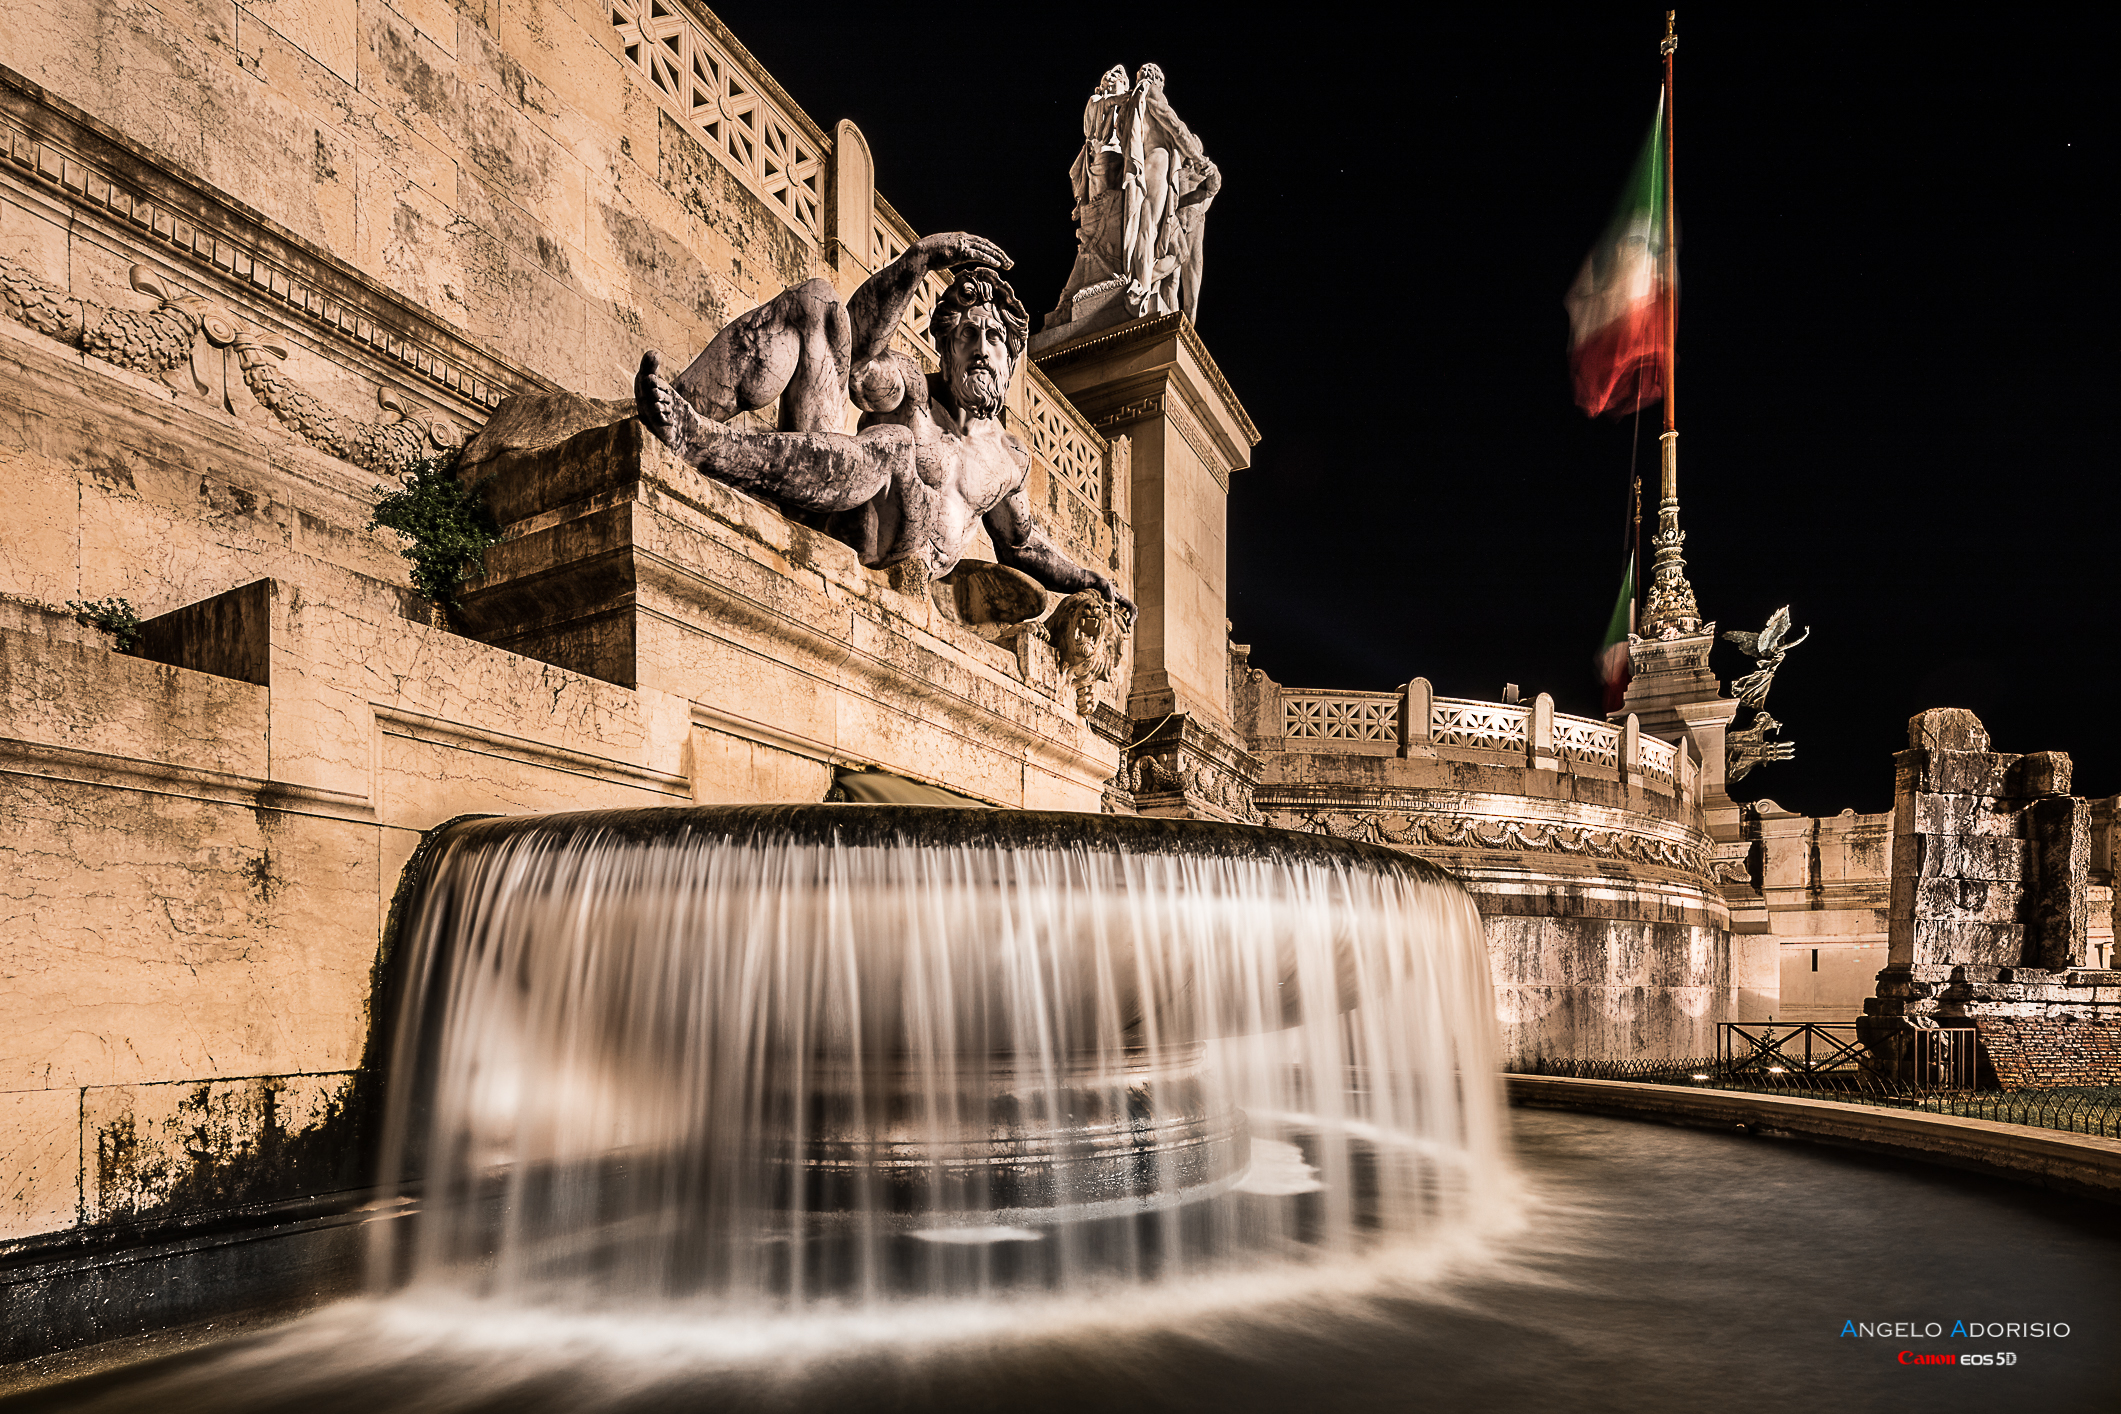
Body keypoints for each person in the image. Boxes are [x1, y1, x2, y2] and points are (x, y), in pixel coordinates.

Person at [634, 233, 1133, 620]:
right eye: (968, 334)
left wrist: (1090, 577)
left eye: (996, 338)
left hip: (900, 557)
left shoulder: (1009, 458)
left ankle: (700, 440)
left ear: (1011, 360)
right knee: (817, 303)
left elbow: (1022, 544)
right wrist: (917, 261)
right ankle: (682, 413)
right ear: (946, 349)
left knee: (895, 445)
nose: (981, 347)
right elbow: (855, 357)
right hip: (836, 508)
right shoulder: (913, 389)